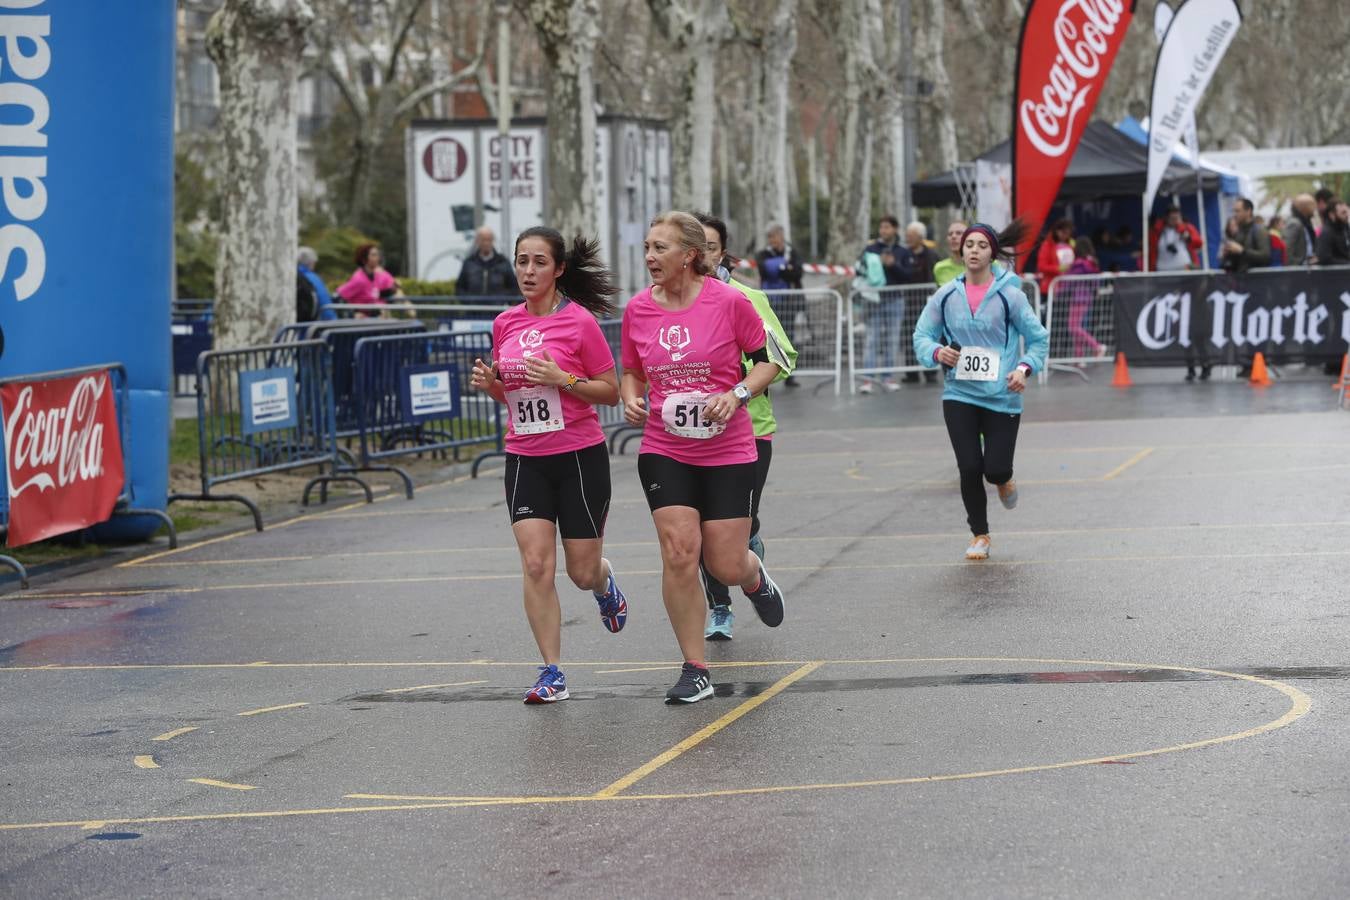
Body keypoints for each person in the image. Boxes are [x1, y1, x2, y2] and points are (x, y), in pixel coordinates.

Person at [620, 211, 786, 704]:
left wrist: (735, 394)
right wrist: (631, 396)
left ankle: (754, 577)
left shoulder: (730, 301)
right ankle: (695, 668)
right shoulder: (638, 309)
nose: (650, 256)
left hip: (729, 448)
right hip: (664, 447)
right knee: (679, 553)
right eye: (647, 247)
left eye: (660, 248)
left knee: (725, 562)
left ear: (689, 255)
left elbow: (768, 362)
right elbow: (631, 370)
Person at [468, 227, 627, 705]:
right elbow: (514, 396)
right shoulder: (505, 324)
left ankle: (603, 581)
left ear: (559, 270)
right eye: (521, 261)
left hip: (579, 457)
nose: (528, 271)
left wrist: (565, 378)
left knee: (579, 572)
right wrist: (491, 385)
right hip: (525, 457)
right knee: (536, 563)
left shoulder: (580, 323)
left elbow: (611, 392)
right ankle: (552, 672)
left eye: (539, 262)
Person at [912, 221, 1048, 561]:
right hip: (960, 394)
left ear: (992, 253)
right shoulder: (945, 295)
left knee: (995, 469)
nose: (973, 250)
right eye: (969, 244)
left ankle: (1005, 479)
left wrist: (1023, 368)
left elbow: (1038, 339)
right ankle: (980, 534)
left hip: (1003, 395)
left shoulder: (1010, 295)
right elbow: (921, 336)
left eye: (981, 245)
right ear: (961, 252)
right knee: (970, 467)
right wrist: (936, 352)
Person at [693, 212, 797, 642]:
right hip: (692, 436)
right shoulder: (667, 302)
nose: (702, 256)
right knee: (700, 528)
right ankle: (720, 607)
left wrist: (738, 387)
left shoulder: (747, 298)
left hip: (750, 432)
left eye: (711, 247)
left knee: (738, 526)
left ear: (724, 254)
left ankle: (752, 561)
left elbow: (782, 359)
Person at [858, 215, 915, 393]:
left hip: (895, 301)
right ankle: (868, 379)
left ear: (895, 229)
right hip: (873, 301)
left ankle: (888, 377)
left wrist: (893, 265)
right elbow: (860, 269)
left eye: (887, 227)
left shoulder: (903, 251)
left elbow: (908, 275)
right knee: (872, 340)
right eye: (881, 227)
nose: (883, 230)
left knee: (892, 340)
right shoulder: (870, 249)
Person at [754, 224, 804, 386]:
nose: (772, 240)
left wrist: (778, 269)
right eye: (769, 237)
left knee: (788, 337)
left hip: (789, 302)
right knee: (770, 339)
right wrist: (783, 267)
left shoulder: (792, 252)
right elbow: (764, 271)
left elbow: (796, 273)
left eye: (774, 236)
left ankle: (789, 373)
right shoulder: (763, 254)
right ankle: (769, 373)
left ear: (782, 237)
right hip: (771, 303)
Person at [902, 221, 940, 384]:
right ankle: (911, 372)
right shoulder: (904, 254)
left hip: (927, 302)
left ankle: (929, 371)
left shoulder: (931, 254)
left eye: (911, 235)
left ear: (920, 237)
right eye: (907, 235)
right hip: (909, 302)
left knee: (929, 336)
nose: (908, 238)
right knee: (908, 336)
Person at [1064, 236, 1105, 360]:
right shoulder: (1091, 262)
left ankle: (1097, 346)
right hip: (1086, 297)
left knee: (1073, 327)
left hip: (1078, 297)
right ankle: (1079, 358)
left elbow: (1068, 278)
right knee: (1077, 327)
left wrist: (1061, 288)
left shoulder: (1079, 263)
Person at [336, 243, 400, 317]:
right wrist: (353, 313)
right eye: (373, 255)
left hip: (378, 318)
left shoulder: (375, 275)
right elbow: (339, 296)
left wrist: (391, 290)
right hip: (365, 323)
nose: (377, 258)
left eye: (378, 255)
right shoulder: (359, 279)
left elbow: (374, 294)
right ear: (364, 260)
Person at [457, 226, 519, 298]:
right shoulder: (469, 263)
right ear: (477, 241)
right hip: (474, 308)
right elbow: (460, 288)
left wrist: (502, 300)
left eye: (489, 240)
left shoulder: (503, 262)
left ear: (493, 241)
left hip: (498, 308)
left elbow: (513, 287)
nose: (486, 243)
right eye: (483, 240)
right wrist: (469, 301)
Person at [1220, 197, 1271, 274]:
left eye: (1238, 211)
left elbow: (1265, 256)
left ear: (1248, 211)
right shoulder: (1239, 232)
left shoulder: (1259, 230)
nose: (1235, 214)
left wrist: (1242, 251)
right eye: (1234, 211)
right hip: (1241, 281)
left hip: (1258, 280)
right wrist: (1228, 254)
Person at [1148, 206, 1202, 271]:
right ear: (1166, 218)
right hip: (1162, 268)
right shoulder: (1157, 230)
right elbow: (1150, 248)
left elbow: (1198, 243)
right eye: (1172, 218)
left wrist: (1188, 237)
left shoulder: (1187, 227)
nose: (1175, 221)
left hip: (1184, 267)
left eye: (1177, 218)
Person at [296, 246, 337, 322]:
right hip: (312, 326)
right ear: (312, 262)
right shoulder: (313, 278)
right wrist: (333, 322)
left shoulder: (294, 276)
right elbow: (324, 302)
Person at [1035, 218, 1075, 291]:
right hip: (1050, 287)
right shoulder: (1047, 245)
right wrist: (1057, 268)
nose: (1066, 236)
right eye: (1063, 232)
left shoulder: (1071, 245)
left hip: (1067, 287)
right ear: (1057, 231)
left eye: (1068, 233)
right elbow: (1041, 266)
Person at [1283, 194, 1319, 267]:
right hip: (1298, 272)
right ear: (1304, 208)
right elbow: (1286, 251)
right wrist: (1303, 263)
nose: (1315, 208)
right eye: (1312, 205)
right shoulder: (1294, 224)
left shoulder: (1305, 223)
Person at [1315, 199, 1350, 267]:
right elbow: (1325, 259)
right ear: (1332, 215)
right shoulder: (1326, 233)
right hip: (1335, 275)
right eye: (1343, 213)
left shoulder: (1344, 227)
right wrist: (1347, 263)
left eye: (1347, 212)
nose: (1347, 215)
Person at [933, 220, 966, 286]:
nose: (953, 236)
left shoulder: (981, 265)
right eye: (950, 234)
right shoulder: (939, 268)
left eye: (959, 233)